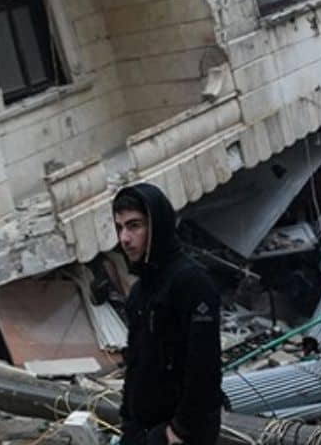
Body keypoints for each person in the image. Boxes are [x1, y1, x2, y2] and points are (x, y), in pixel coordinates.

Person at [113, 183, 222, 445]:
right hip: (143, 429)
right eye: (120, 228)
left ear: (157, 226)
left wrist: (181, 429)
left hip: (178, 433)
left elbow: (204, 366)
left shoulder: (191, 282)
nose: (125, 238)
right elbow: (135, 361)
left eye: (134, 226)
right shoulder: (141, 291)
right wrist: (128, 420)